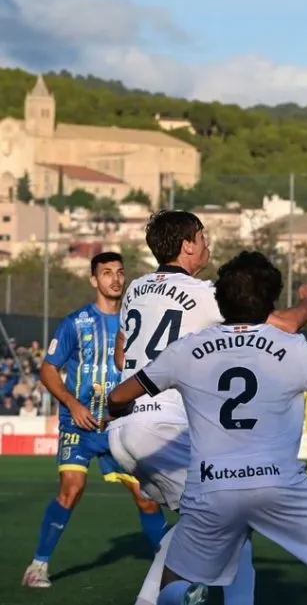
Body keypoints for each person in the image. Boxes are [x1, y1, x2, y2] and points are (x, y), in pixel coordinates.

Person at [108, 251, 307, 605]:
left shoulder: (187, 349)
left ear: (220, 300)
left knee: (174, 581)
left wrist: (121, 408)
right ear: (271, 301)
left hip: (212, 489)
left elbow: (119, 395)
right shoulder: (293, 348)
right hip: (278, 483)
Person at [106, 210, 307, 605]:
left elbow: (123, 356)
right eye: (203, 237)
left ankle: (149, 600)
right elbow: (286, 326)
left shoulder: (135, 288)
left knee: (201, 520)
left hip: (124, 429)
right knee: (235, 513)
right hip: (164, 426)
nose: (208, 245)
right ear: (187, 244)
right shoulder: (203, 294)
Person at [22, 252, 169, 589]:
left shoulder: (137, 323)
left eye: (119, 272)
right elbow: (47, 369)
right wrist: (72, 404)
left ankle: (172, 566)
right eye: (106, 273)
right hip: (79, 425)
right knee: (71, 490)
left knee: (146, 497)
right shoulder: (75, 322)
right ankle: (37, 567)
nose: (115, 279)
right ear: (94, 280)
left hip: (119, 426)